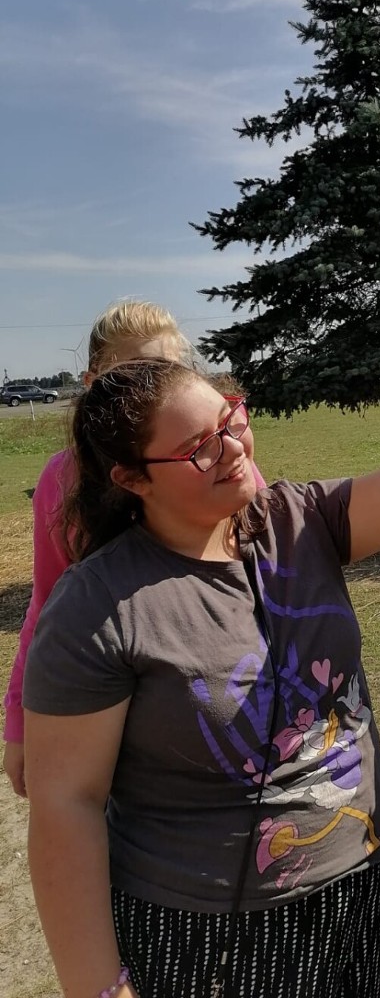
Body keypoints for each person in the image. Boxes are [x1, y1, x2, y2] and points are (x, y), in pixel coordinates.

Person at [23, 358, 380, 998]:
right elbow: (64, 806)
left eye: (230, 420)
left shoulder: (296, 520)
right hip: (206, 935)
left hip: (356, 885)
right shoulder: (96, 606)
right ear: (132, 479)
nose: (233, 449)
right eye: (198, 450)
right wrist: (99, 989)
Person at [2, 300, 265, 797]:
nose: (153, 392)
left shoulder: (222, 461)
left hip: (212, 689)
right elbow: (47, 602)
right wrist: (19, 722)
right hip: (107, 695)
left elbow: (261, 562)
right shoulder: (63, 479)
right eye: (132, 376)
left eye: (168, 373)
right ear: (91, 384)